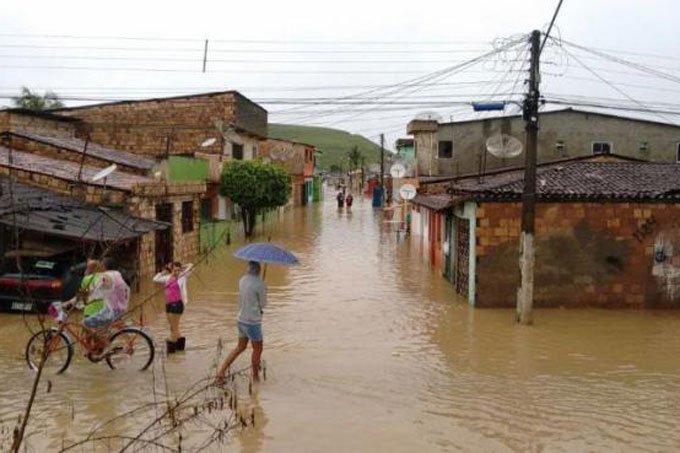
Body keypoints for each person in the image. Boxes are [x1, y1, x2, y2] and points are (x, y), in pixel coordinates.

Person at [217, 261, 267, 383]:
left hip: (240, 319)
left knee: (240, 347)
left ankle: (221, 371)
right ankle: (255, 377)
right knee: (258, 349)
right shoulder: (260, 284)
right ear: (259, 270)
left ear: (248, 269)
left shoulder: (242, 280)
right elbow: (263, 304)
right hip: (252, 322)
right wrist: (264, 288)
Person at [153, 261, 194, 354]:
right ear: (171, 270)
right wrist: (162, 272)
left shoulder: (182, 276)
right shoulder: (167, 278)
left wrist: (182, 266)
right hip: (168, 304)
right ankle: (180, 349)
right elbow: (155, 279)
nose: (176, 272)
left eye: (178, 270)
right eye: (175, 270)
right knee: (173, 327)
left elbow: (191, 265)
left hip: (177, 304)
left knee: (174, 328)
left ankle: (171, 352)